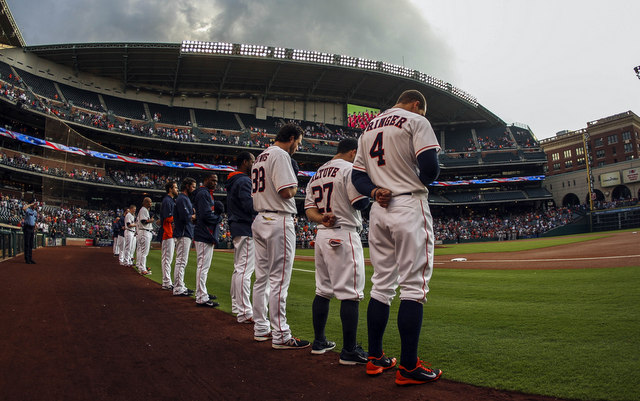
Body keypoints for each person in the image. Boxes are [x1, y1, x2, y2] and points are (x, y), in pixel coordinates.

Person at [352, 90, 443, 385]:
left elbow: (357, 177)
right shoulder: (415, 119)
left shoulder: (368, 127)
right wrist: (410, 180)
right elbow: (430, 168)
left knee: (381, 285)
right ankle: (407, 367)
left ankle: (375, 358)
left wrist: (375, 190)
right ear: (417, 104)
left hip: (379, 208)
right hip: (407, 204)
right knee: (413, 288)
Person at [304, 138, 370, 364]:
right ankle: (349, 351)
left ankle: (319, 341)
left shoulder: (317, 173)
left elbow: (309, 210)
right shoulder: (349, 169)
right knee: (351, 293)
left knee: (323, 290)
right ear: (353, 152)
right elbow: (360, 203)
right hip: (343, 233)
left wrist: (322, 217)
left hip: (322, 232)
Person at [251, 123, 310, 349]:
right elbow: (286, 191)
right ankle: (281, 335)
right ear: (292, 138)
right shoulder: (280, 155)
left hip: (260, 219)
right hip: (278, 219)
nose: (298, 147)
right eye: (299, 142)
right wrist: (296, 188)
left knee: (262, 279)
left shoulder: (260, 156)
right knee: (279, 280)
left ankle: (261, 328)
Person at [226, 151, 257, 323]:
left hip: (238, 226)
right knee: (244, 270)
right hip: (245, 227)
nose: (254, 164)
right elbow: (249, 205)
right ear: (245, 162)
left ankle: (237, 305)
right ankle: (245, 311)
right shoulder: (244, 180)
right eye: (252, 161)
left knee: (239, 269)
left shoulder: (234, 180)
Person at [192, 173, 224, 307]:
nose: (215, 183)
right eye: (212, 180)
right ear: (205, 180)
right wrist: (219, 218)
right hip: (204, 233)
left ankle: (202, 292)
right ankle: (201, 296)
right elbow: (206, 215)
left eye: (216, 181)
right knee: (202, 267)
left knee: (203, 266)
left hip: (204, 233)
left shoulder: (205, 193)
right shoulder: (203, 194)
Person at [173, 177, 196, 297]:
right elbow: (185, 217)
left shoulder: (185, 198)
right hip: (183, 232)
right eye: (192, 186)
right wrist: (193, 216)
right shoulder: (182, 198)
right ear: (187, 186)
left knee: (182, 261)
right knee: (181, 261)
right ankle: (177, 287)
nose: (193, 189)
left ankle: (180, 285)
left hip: (185, 232)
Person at [160, 181, 178, 290]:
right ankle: (166, 282)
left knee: (168, 258)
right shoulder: (167, 200)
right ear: (170, 189)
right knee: (167, 258)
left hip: (170, 232)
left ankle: (167, 281)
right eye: (175, 187)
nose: (177, 189)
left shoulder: (170, 200)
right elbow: (168, 218)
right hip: (167, 232)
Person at [136, 197, 155, 275]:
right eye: (149, 202)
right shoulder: (143, 209)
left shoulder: (144, 210)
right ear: (145, 203)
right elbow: (144, 221)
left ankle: (140, 266)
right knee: (144, 252)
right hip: (144, 231)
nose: (150, 204)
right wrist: (151, 220)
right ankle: (143, 268)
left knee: (141, 251)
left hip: (143, 232)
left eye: (150, 202)